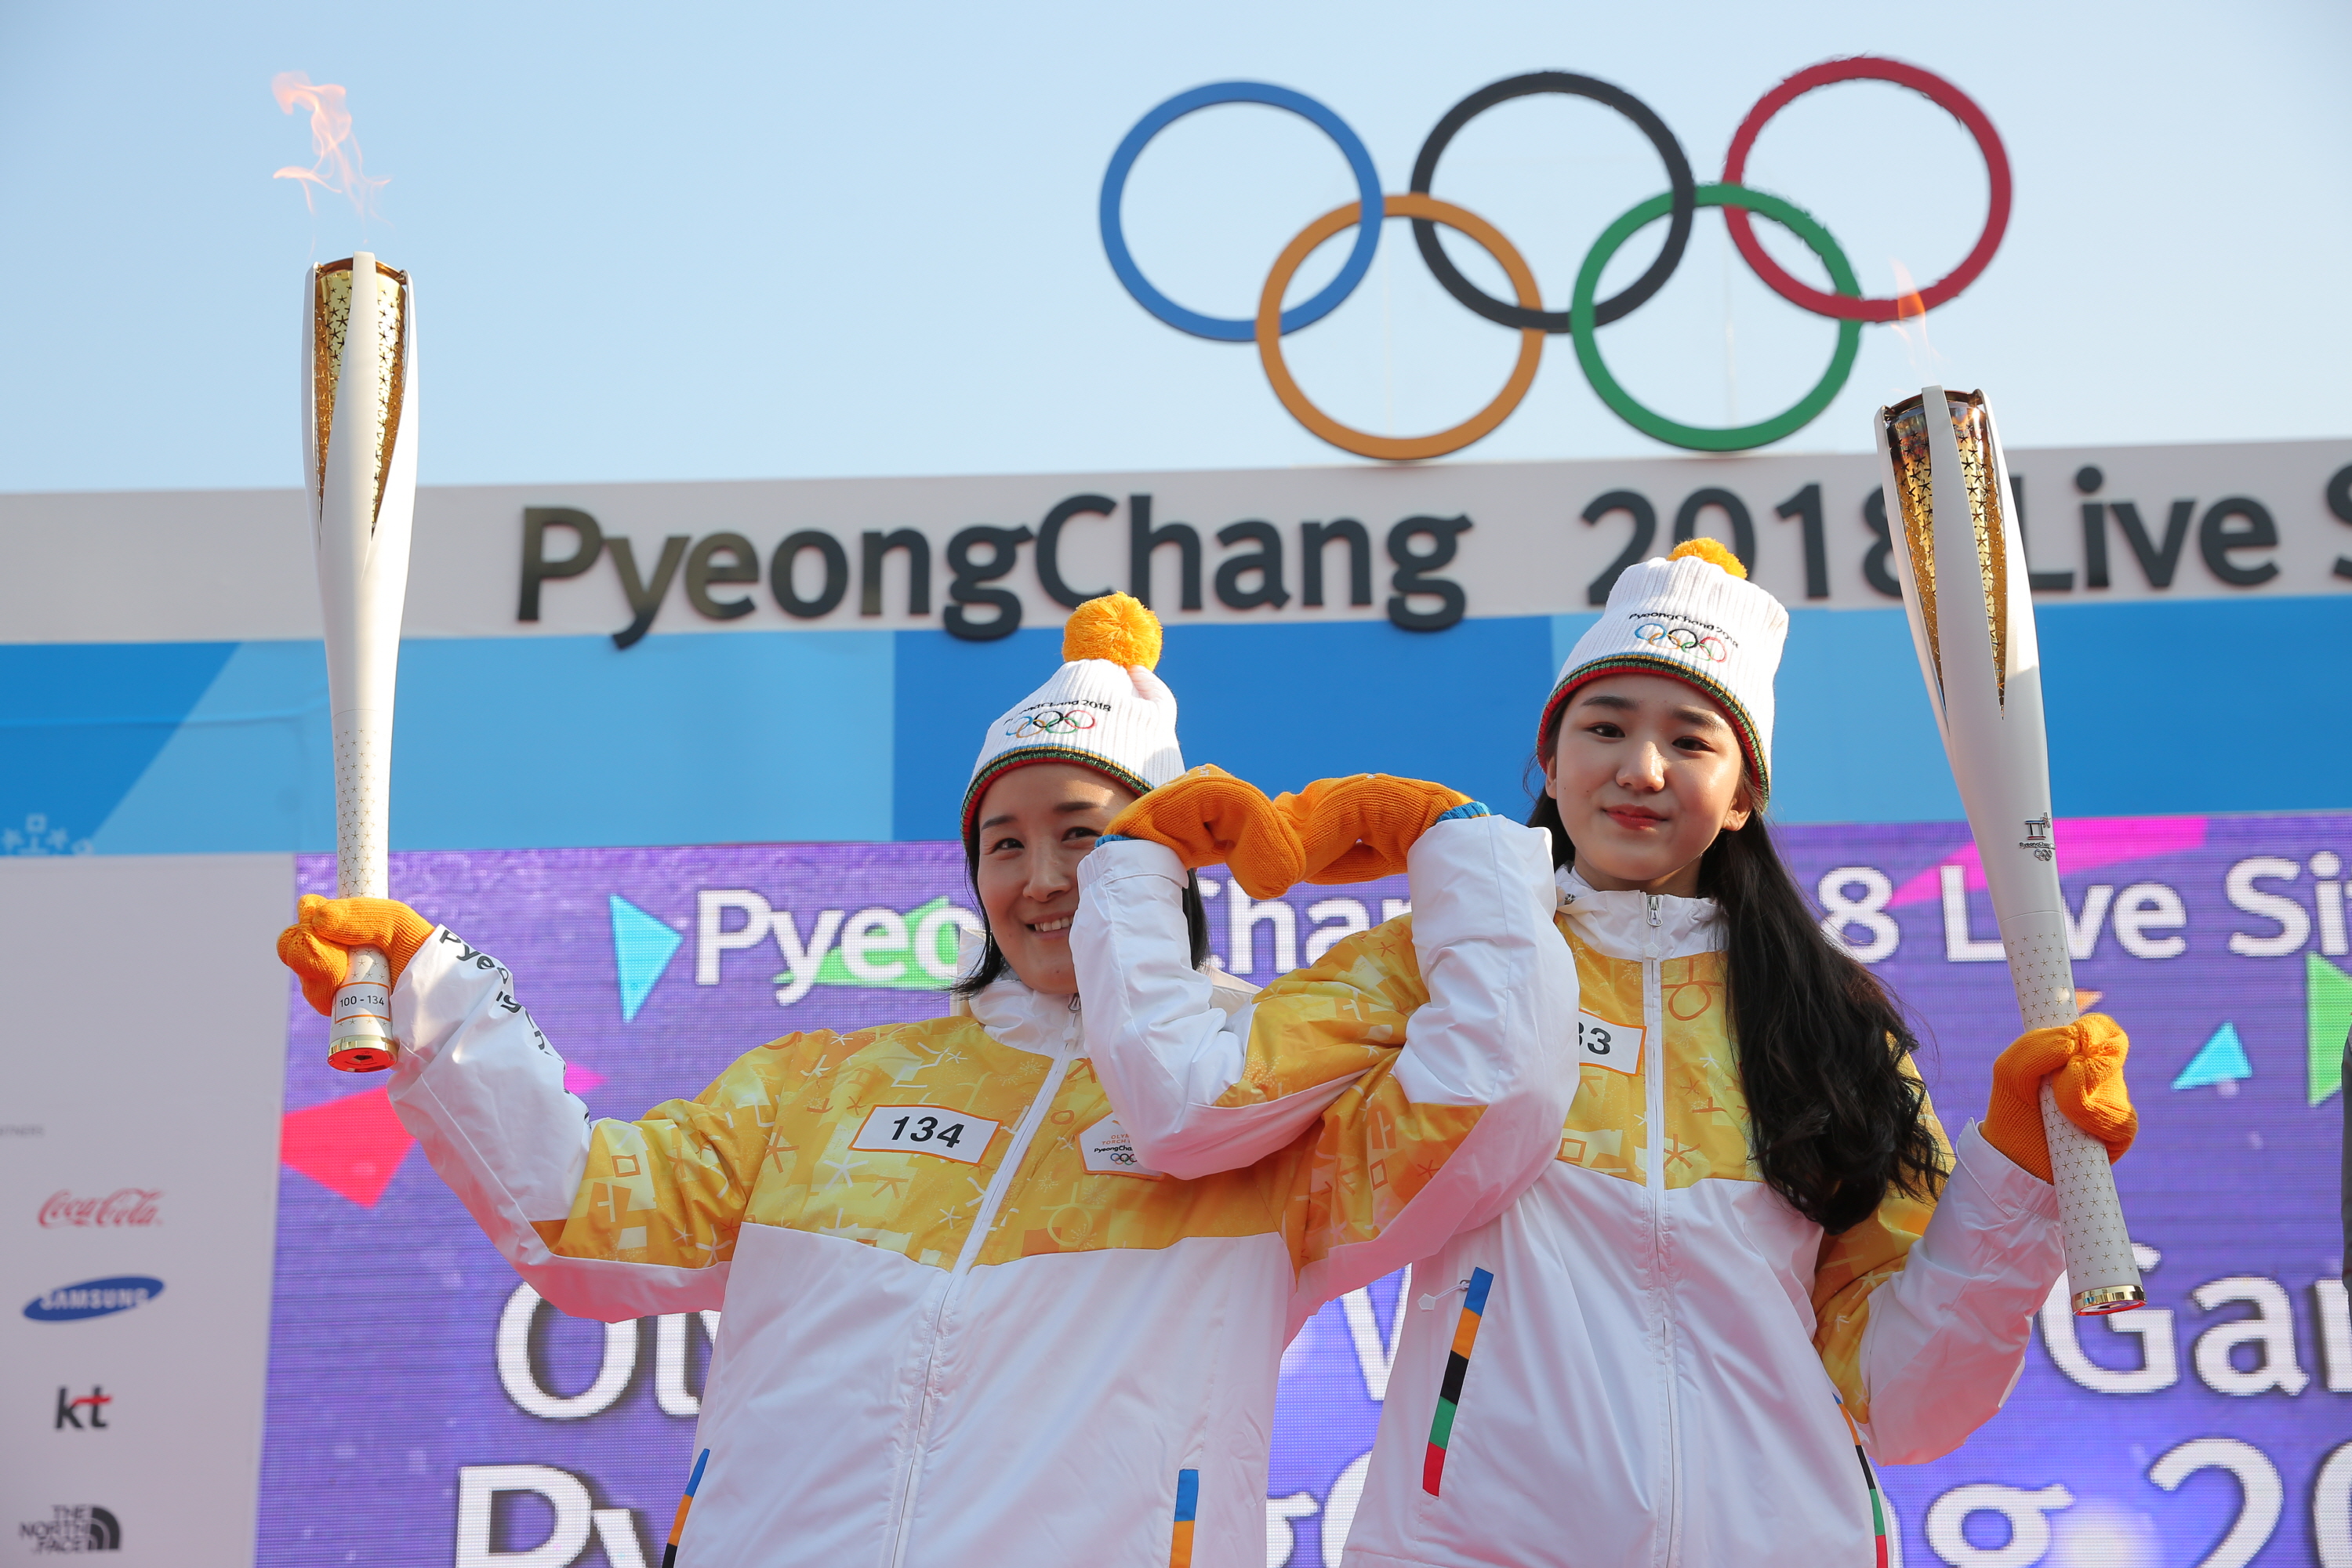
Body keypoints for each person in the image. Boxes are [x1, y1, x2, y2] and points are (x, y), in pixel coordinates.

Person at [275, 592, 1577, 1568]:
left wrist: (1461, 852)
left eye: (1086, 835)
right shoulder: (831, 1085)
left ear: (1164, 861)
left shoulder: (1263, 1109)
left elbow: (1493, 1099)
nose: (1041, 878)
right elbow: (584, 1218)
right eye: (1003, 842)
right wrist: (439, 997)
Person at [1081, 542, 2138, 1568]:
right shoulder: (1445, 960)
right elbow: (1188, 1104)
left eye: (1691, 740)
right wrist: (1133, 862)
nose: (1641, 769)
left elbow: (1907, 1403)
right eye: (1606, 726)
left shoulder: (1827, 1024)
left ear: (1745, 793)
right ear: (1551, 759)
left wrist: (2018, 1178)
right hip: (1480, 1544)